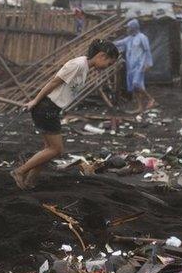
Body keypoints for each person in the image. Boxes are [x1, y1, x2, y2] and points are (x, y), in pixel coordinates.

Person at [11, 39, 120, 189]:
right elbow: (54, 82)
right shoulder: (78, 65)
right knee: (56, 149)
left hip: (51, 109)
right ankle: (19, 172)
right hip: (47, 108)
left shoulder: (84, 67)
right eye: (109, 63)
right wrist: (35, 101)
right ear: (102, 55)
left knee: (48, 149)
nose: (108, 67)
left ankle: (30, 181)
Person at [114, 19, 155, 113]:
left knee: (137, 83)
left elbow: (147, 51)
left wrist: (148, 64)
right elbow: (119, 43)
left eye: (128, 28)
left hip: (139, 65)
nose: (127, 29)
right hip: (130, 67)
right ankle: (140, 107)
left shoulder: (142, 37)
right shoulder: (129, 39)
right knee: (134, 87)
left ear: (133, 28)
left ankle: (151, 99)